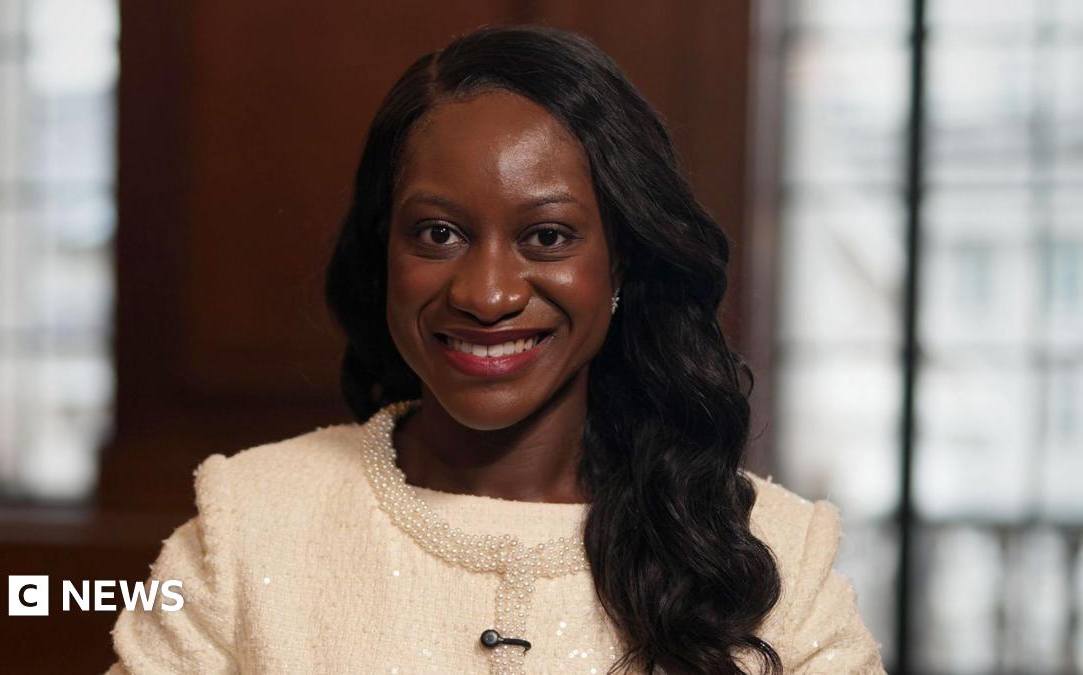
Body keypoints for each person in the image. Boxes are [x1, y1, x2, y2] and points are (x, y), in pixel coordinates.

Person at [105, 25, 885, 675]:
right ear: (386, 253)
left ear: (622, 261)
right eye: (438, 233)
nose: (485, 294)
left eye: (546, 236)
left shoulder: (774, 553)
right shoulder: (249, 523)